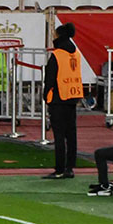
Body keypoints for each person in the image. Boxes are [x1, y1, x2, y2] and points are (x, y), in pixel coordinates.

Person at [43, 23, 83, 179]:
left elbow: (50, 78)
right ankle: (70, 168)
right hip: (73, 97)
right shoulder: (76, 53)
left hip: (58, 98)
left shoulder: (57, 54)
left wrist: (46, 95)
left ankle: (59, 169)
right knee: (71, 134)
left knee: (59, 136)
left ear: (59, 36)